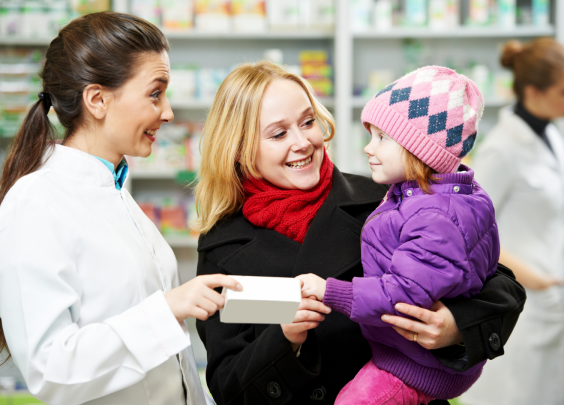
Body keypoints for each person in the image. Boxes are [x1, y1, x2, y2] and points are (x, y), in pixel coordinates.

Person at [194, 61, 526, 405]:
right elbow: (228, 386)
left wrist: (456, 327)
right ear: (239, 150)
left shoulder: (387, 198)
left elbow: (498, 283)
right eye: (278, 134)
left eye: (309, 122)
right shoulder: (223, 247)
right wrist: (284, 339)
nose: (304, 142)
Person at [0, 12, 242, 405]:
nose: (167, 112)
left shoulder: (115, 192)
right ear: (97, 100)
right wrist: (166, 310)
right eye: (155, 93)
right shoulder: (33, 205)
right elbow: (51, 369)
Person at [298, 66, 499, 405]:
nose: (368, 148)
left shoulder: (434, 215)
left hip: (414, 366)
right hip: (414, 357)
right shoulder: (423, 196)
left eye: (381, 138)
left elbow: (405, 295)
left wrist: (330, 291)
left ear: (421, 150)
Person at [460, 38, 564, 405]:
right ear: (534, 91)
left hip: (552, 297)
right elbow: (470, 228)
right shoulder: (502, 149)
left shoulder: (551, 133)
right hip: (523, 295)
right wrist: (530, 276)